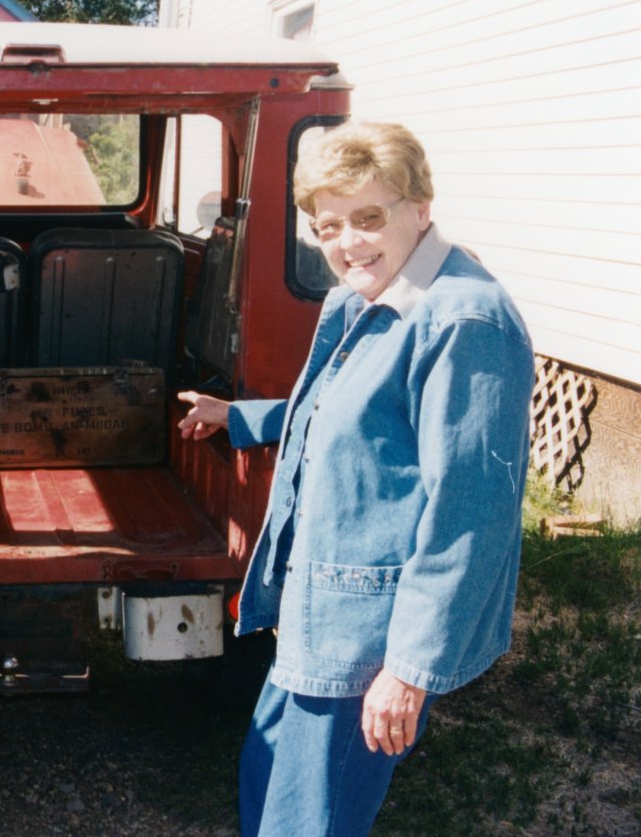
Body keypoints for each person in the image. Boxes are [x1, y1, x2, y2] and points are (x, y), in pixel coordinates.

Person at [177, 120, 535, 835]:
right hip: (318, 611)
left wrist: (407, 671)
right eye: (328, 224)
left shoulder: (463, 321)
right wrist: (242, 416)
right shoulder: (363, 299)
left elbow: (469, 515)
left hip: (369, 637)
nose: (347, 242)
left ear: (420, 206)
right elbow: (348, 410)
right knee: (269, 782)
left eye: (368, 218)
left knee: (308, 820)